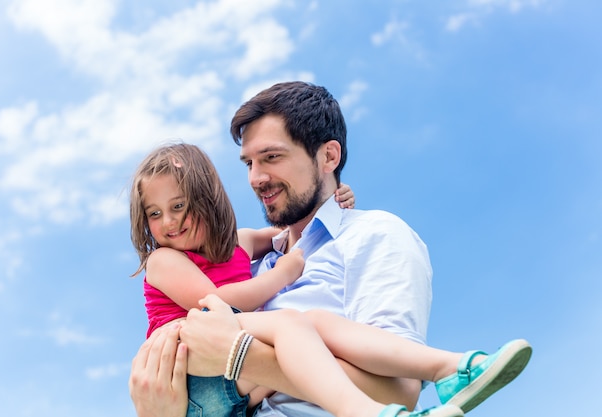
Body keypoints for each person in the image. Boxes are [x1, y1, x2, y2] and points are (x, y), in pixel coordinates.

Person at [129, 83, 532, 417]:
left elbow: (401, 392)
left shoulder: (373, 236)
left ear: (329, 155)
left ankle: (451, 368)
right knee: (296, 324)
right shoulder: (257, 267)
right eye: (248, 163)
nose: (256, 177)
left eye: (271, 158)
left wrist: (240, 355)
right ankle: (453, 367)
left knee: (303, 323)